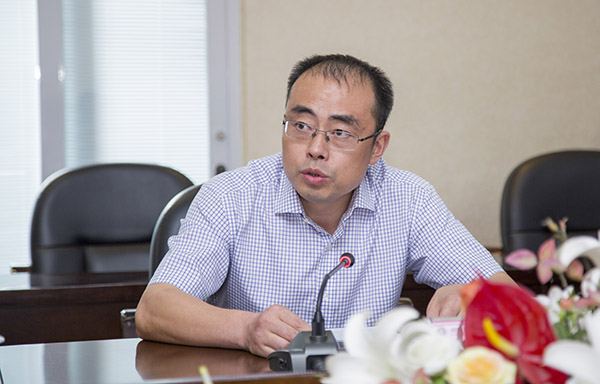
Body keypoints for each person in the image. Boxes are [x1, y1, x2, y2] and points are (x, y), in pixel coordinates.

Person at [135, 54, 515, 358]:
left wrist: (469, 297)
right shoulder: (230, 196)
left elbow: (508, 296)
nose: (316, 148)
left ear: (377, 148)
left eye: (341, 132)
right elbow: (154, 309)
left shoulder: (408, 199)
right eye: (301, 126)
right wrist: (246, 329)